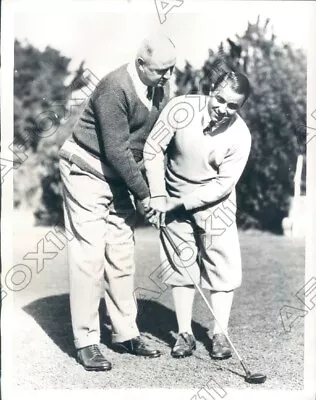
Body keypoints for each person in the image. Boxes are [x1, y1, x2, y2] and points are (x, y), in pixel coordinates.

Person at [59, 35, 176, 371]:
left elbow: (143, 149)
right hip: (85, 167)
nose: (167, 76)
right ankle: (87, 341)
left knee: (122, 253)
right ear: (141, 63)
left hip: (117, 174)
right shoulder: (115, 87)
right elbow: (116, 150)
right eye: (161, 70)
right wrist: (144, 195)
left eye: (171, 70)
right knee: (90, 254)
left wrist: (153, 194)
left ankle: (125, 332)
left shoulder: (157, 89)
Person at [143, 71, 251, 359]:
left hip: (217, 205)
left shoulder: (240, 135)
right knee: (181, 265)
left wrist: (175, 204)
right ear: (211, 90)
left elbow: (222, 185)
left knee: (222, 268)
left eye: (233, 106)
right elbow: (153, 148)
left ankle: (220, 335)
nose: (223, 109)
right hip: (172, 194)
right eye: (220, 100)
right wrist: (157, 195)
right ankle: (184, 334)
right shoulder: (181, 109)